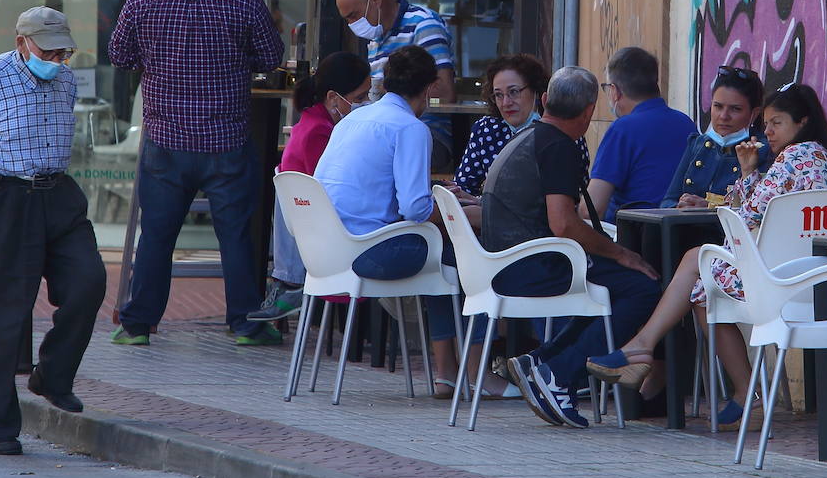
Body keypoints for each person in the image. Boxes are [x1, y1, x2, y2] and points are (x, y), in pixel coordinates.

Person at [586, 82, 827, 426]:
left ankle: (733, 385)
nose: (768, 131)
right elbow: (768, 209)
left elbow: (747, 215)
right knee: (701, 269)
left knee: (702, 284)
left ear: (801, 123)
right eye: (767, 123)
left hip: (781, 283)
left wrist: (740, 182)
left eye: (777, 123)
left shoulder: (793, 157)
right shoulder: (824, 158)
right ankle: (648, 349)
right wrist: (748, 170)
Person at [108, 0, 283, 346]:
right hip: (227, 140)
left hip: (166, 142)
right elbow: (271, 56)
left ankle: (138, 325)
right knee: (236, 236)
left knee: (158, 235)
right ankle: (244, 323)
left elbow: (119, 54)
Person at [0, 7, 107, 455]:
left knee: (89, 281)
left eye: (63, 50)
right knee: (1, 313)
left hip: (55, 194)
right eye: (48, 49)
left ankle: (52, 375)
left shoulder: (66, 80)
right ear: (22, 43)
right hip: (1, 196)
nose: (56, 58)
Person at [312, 46, 515, 398]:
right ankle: (480, 373)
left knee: (442, 260)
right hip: (371, 253)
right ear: (430, 88)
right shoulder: (410, 128)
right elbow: (416, 210)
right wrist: (453, 210)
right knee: (472, 258)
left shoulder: (351, 121)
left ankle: (447, 374)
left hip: (324, 251)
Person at [482, 66, 662, 429]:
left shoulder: (529, 136)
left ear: (545, 100)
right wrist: (620, 252)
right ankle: (559, 375)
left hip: (500, 264)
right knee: (642, 288)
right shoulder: (559, 147)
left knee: (607, 286)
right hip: (529, 268)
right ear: (589, 111)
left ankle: (541, 363)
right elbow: (563, 223)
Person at [248, 51, 371, 323]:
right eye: (361, 98)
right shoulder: (321, 132)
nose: (367, 104)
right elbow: (332, 189)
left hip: (303, 237)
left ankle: (289, 285)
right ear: (333, 97)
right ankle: (292, 287)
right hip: (321, 238)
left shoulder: (314, 120)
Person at [335, 0, 457, 171]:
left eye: (354, 16)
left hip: (429, 135)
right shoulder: (375, 39)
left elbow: (444, 94)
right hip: (386, 133)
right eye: (347, 20)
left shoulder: (423, 24)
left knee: (363, 159)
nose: (352, 25)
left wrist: (395, 97)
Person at [453, 53, 589, 198]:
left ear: (536, 91)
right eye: (498, 95)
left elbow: (576, 198)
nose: (506, 102)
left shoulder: (564, 132)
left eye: (513, 92)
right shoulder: (486, 130)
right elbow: (464, 187)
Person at [587, 46, 696, 222]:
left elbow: (592, 209)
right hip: (677, 234)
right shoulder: (686, 123)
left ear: (615, 91)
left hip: (628, 238)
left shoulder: (622, 130)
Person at [663, 63, 770, 208]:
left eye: (735, 109)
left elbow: (759, 211)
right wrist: (681, 206)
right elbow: (668, 201)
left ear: (754, 113)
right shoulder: (697, 144)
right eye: (718, 106)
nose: (724, 116)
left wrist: (709, 207)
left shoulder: (763, 151)